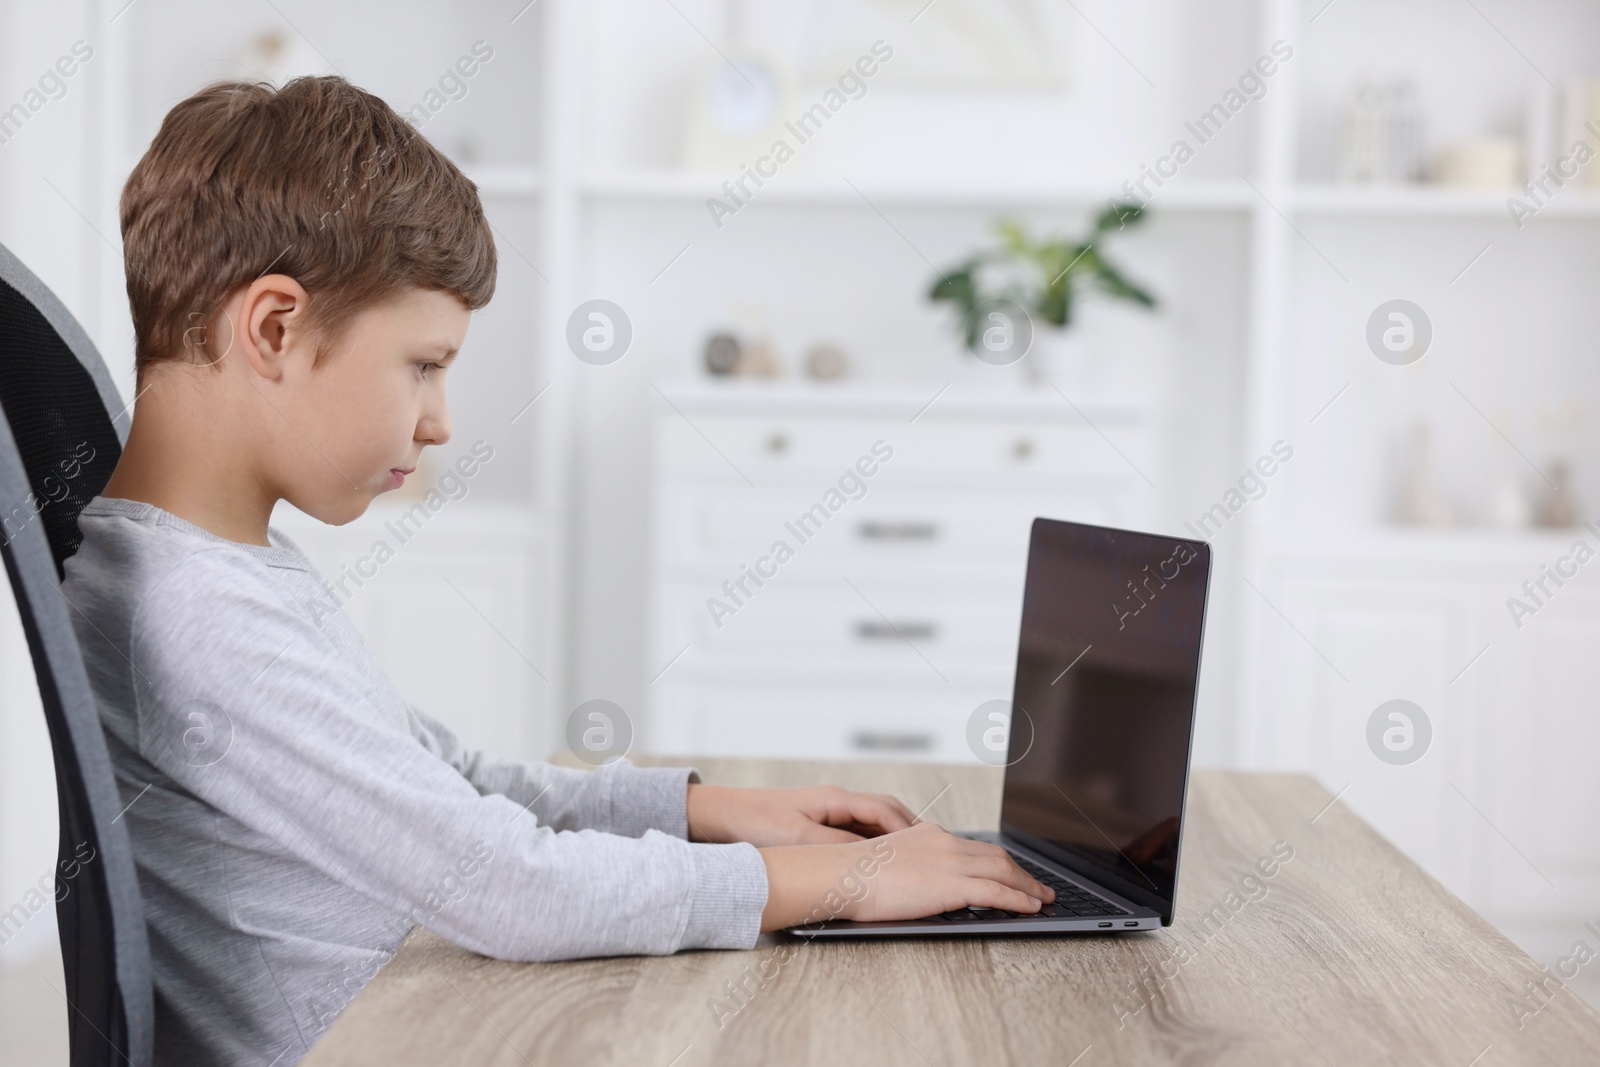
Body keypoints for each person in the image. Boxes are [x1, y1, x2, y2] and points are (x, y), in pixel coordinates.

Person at [62, 74, 1052, 1066]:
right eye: (422, 363)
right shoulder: (201, 618)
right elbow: (506, 886)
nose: (440, 418)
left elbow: (453, 781)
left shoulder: (215, 571)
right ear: (273, 327)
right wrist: (839, 884)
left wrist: (706, 811)